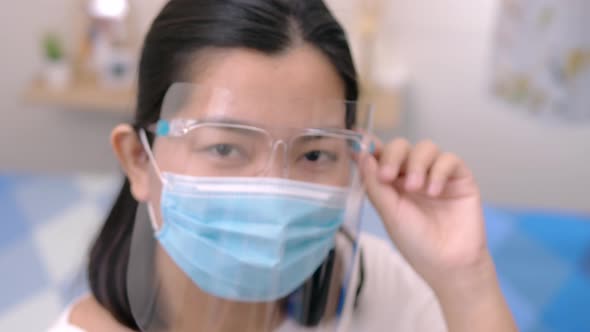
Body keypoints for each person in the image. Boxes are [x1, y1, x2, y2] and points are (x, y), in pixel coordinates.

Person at [49, 0, 517, 331]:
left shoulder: (378, 283)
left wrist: (466, 279)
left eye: (314, 154)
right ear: (137, 160)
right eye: (226, 148)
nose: (271, 189)